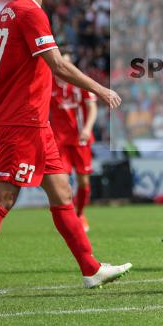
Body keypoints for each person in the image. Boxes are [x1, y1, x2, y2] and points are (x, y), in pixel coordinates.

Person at [0, 0, 130, 292]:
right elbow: (57, 65)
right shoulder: (31, 13)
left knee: (62, 192)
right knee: (3, 196)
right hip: (24, 119)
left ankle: (91, 268)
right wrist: (100, 89)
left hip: (35, 121)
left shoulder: (6, 12)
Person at [50, 50, 98, 232]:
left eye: (67, 63)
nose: (63, 66)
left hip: (80, 139)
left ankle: (80, 213)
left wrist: (87, 128)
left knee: (83, 182)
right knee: (62, 182)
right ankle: (69, 218)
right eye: (60, 62)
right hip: (59, 141)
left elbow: (92, 107)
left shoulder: (80, 82)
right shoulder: (48, 83)